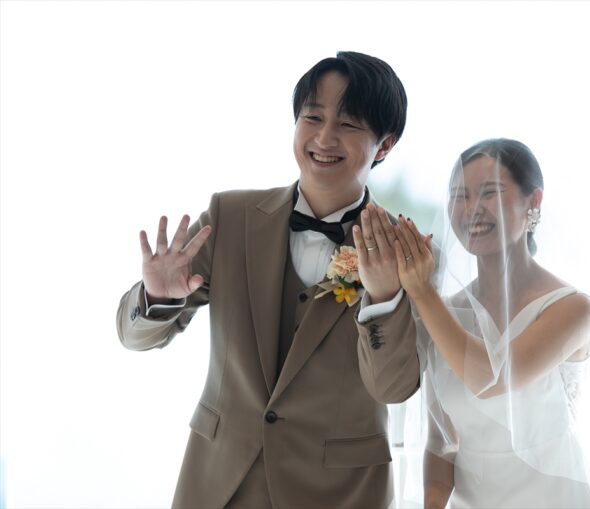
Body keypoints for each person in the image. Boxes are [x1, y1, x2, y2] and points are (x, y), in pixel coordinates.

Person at [116, 51, 421, 509]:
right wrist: (157, 296)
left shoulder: (403, 250)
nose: (324, 137)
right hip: (217, 486)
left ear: (384, 146)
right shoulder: (230, 217)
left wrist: (383, 297)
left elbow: (393, 389)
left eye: (348, 124)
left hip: (341, 495)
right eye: (312, 118)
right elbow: (134, 338)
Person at [387, 139, 590, 508]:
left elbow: (491, 378)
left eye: (489, 193)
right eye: (459, 196)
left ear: (533, 202)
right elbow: (441, 441)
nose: (472, 209)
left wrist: (422, 292)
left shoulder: (572, 309)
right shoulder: (446, 312)